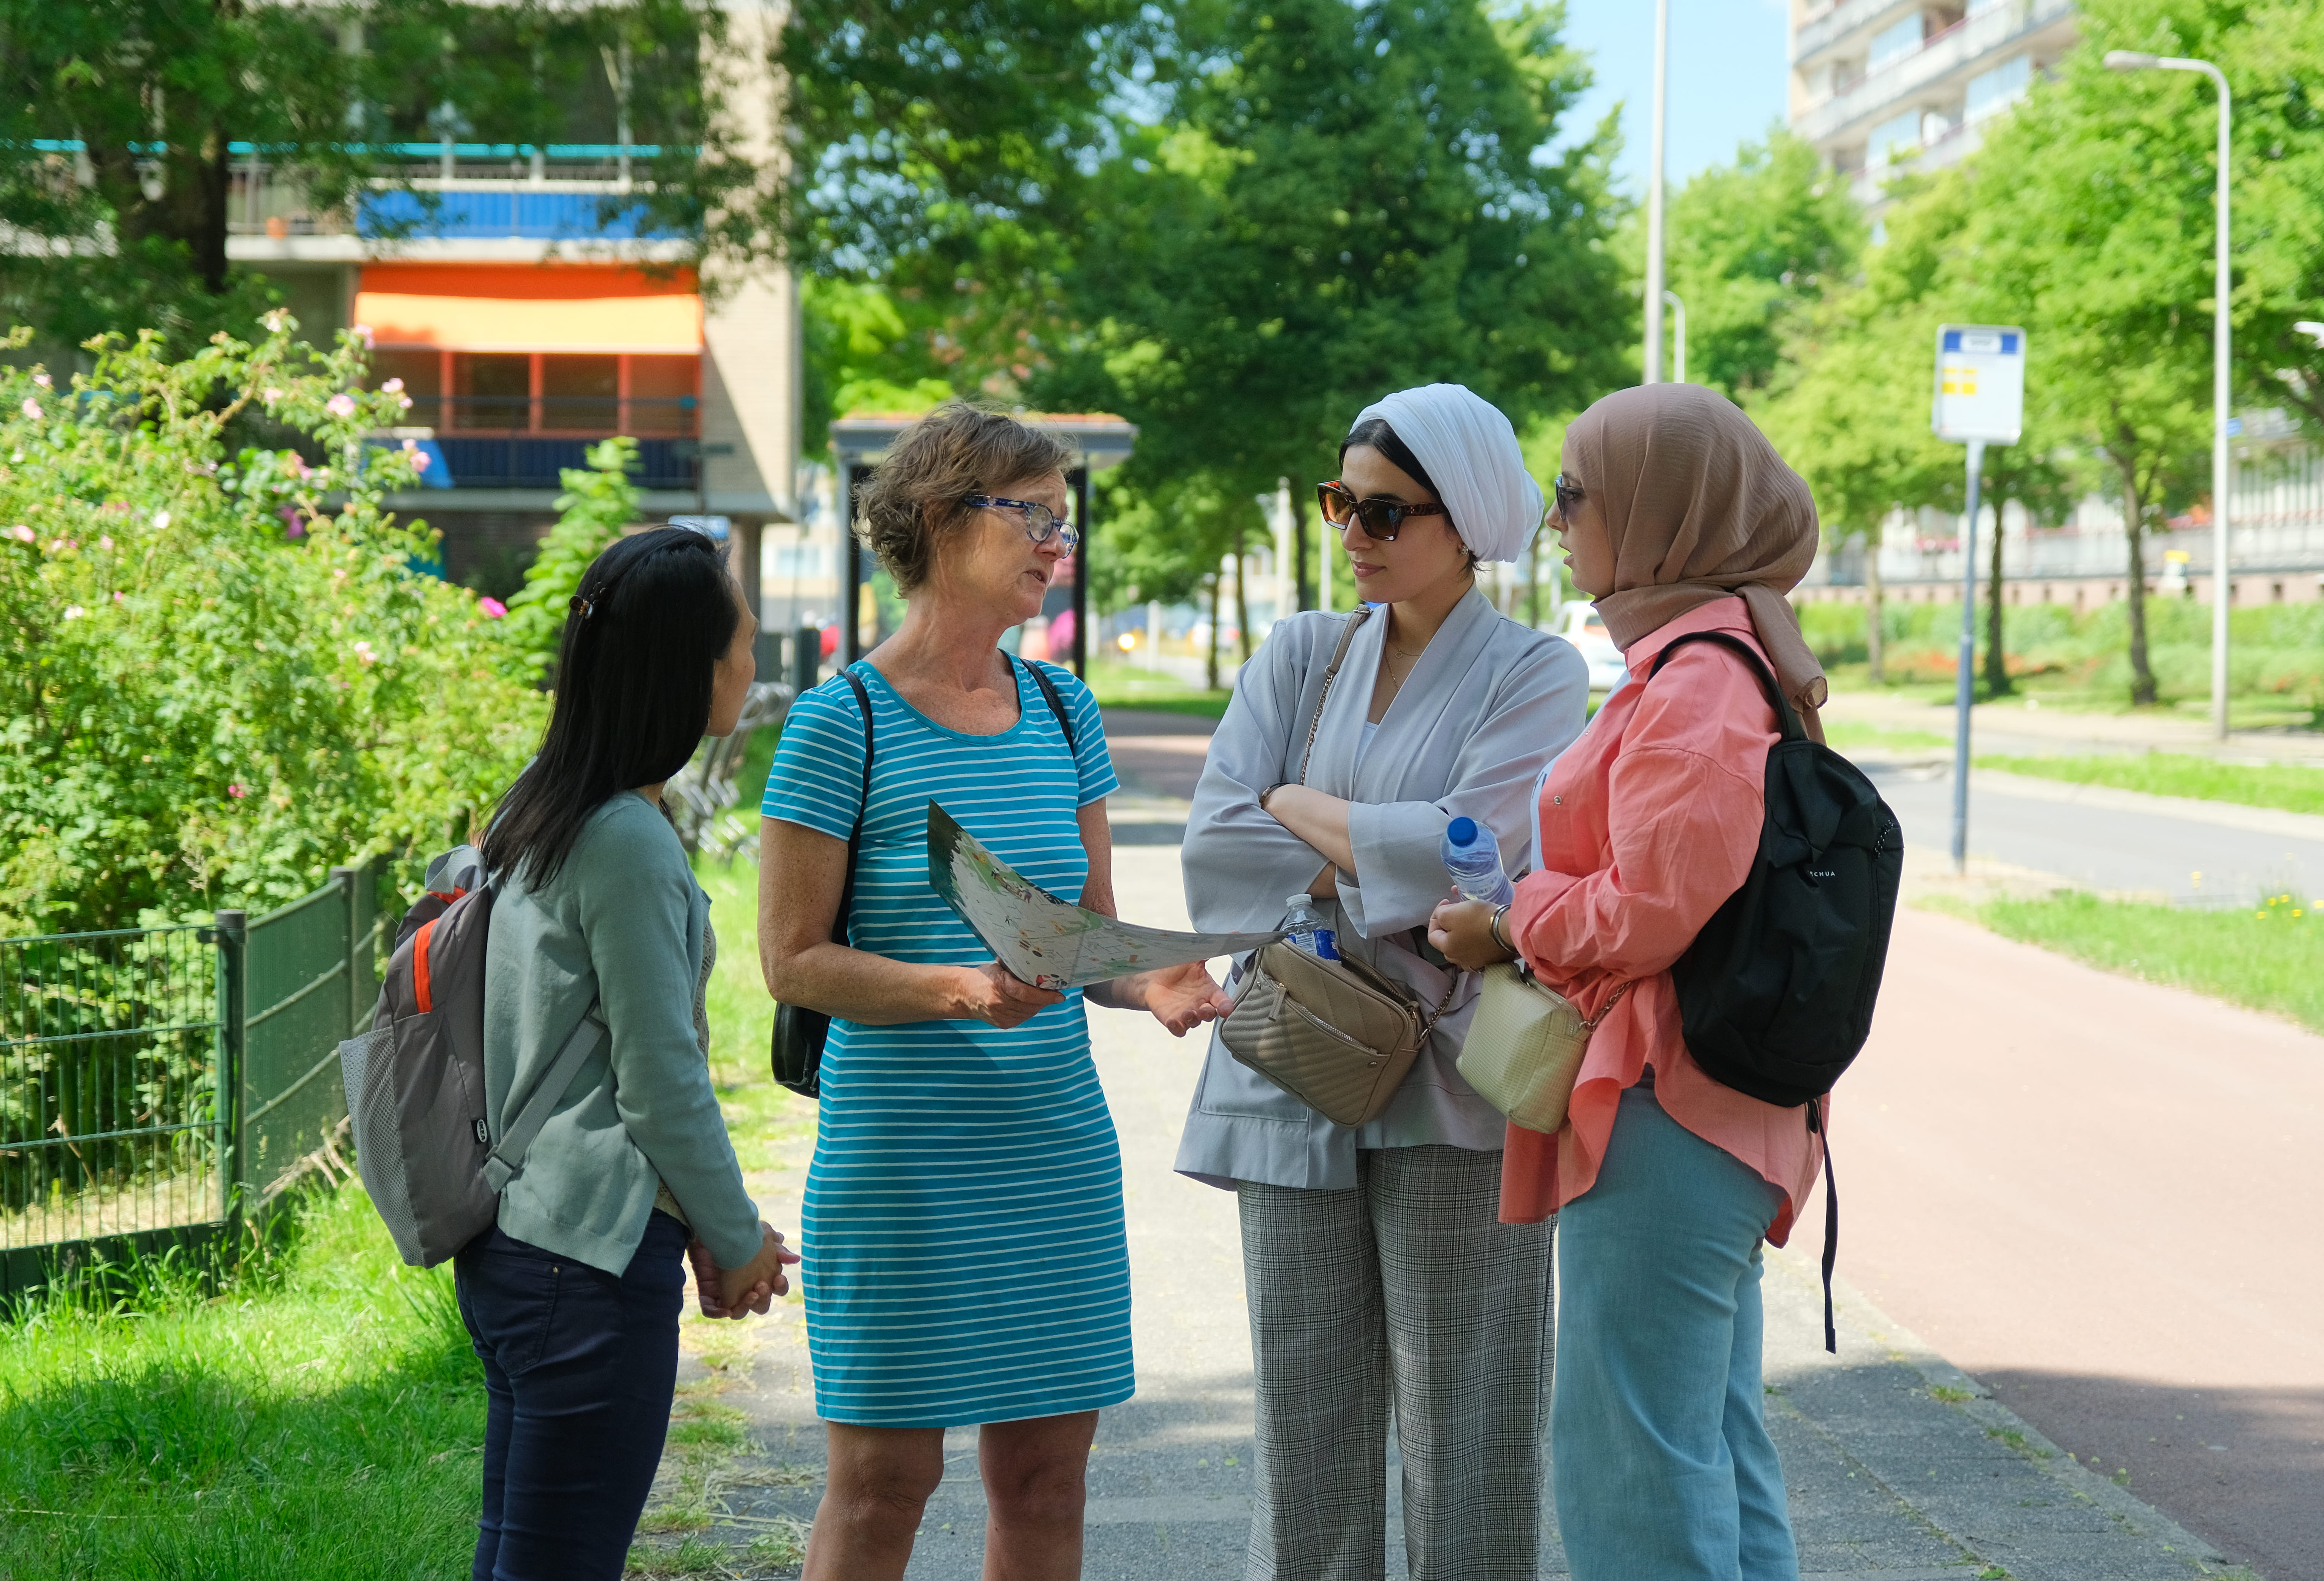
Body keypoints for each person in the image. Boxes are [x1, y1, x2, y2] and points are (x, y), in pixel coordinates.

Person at [759, 400, 1231, 1581]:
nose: (1057, 543)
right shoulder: (839, 723)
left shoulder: (1065, 708)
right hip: (902, 1163)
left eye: (1063, 521)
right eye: (1033, 517)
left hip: (1052, 1155)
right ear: (938, 518)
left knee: (1046, 1484)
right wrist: (959, 989)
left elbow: (1085, 936)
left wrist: (1152, 977)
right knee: (882, 1490)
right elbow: (792, 961)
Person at [1178, 383, 1590, 1579]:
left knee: (1472, 1428)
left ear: (1467, 521)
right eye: (1341, 503)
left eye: (1386, 511)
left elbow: (1479, 852)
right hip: (1290, 1065)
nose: (1354, 533)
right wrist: (1377, 852)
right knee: (1302, 1434)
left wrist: (1296, 810)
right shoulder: (1300, 652)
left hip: (1457, 1084)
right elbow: (1215, 846)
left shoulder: (1535, 672)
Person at [1430, 382, 1833, 1580]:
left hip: (1667, 1104)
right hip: (1702, 1102)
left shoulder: (1699, 681)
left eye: (1574, 493)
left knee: (1632, 1457)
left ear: (1664, 511)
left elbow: (1653, 907)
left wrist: (1510, 922)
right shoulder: (1720, 655)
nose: (1557, 521)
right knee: (1707, 1440)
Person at [464, 524, 793, 1581]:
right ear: (689, 669)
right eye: (743, 644)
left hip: (517, 1240)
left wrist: (704, 1230)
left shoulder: (542, 806)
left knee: (519, 1558)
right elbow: (661, 1083)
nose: (752, 663)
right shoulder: (627, 841)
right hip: (587, 1270)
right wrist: (735, 1238)